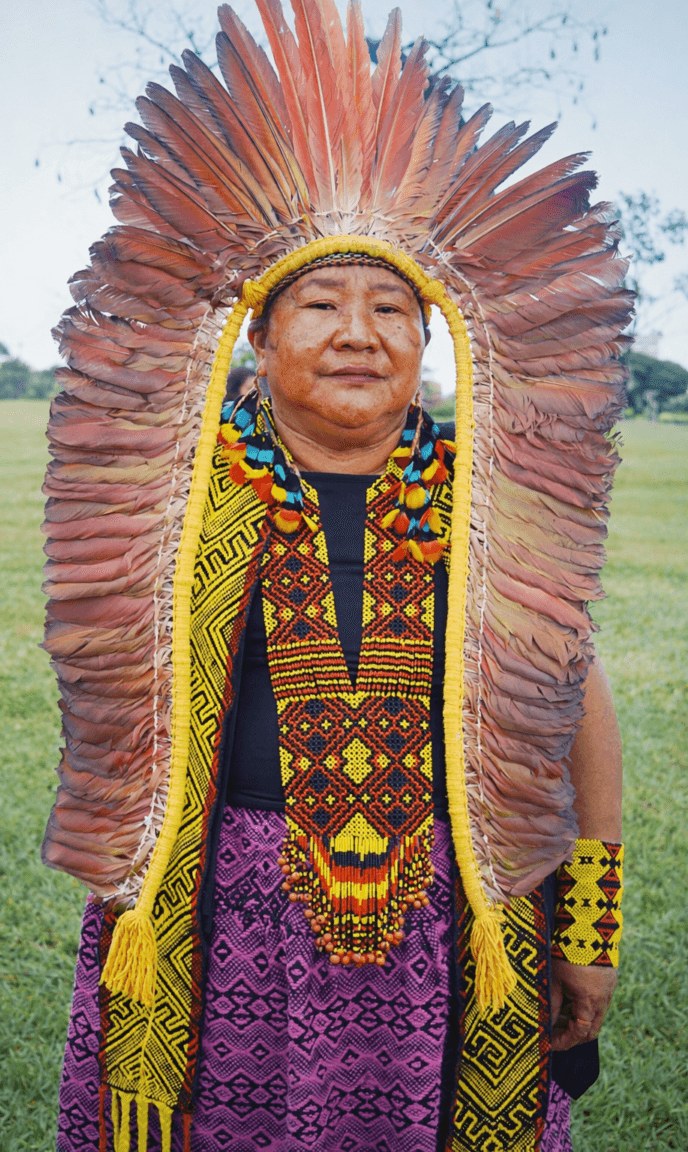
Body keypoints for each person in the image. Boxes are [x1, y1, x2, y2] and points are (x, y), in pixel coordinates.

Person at [43, 2, 630, 1149]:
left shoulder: (492, 502)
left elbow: (576, 708)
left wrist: (590, 929)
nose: (358, 331)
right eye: (319, 302)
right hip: (221, 921)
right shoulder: (179, 501)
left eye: (392, 309)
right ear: (257, 342)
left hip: (456, 923)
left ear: (431, 341)